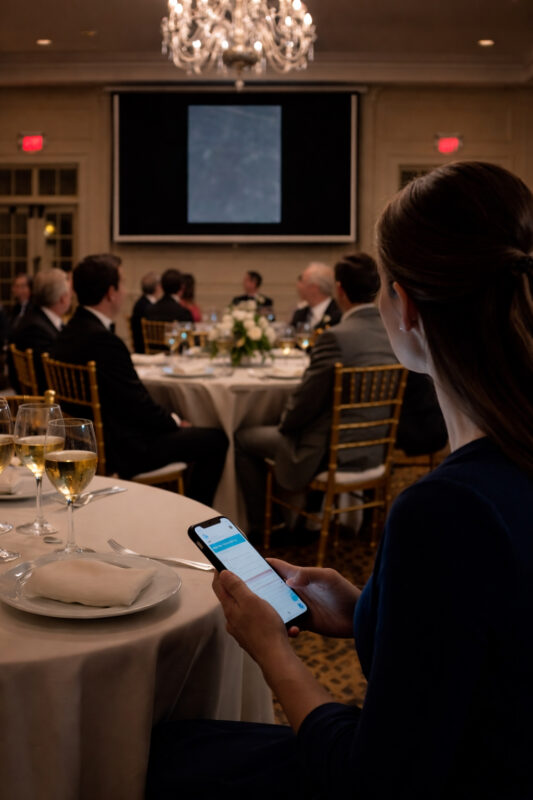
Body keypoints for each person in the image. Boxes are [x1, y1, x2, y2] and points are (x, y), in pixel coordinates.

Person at [146, 162, 533, 798]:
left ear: (402, 307)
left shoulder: (448, 511)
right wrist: (360, 608)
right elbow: (474, 649)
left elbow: (372, 780)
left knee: (160, 756)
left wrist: (273, 649)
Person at [234, 252, 396, 537]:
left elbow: (303, 405)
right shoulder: (392, 333)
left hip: (331, 451)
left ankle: (266, 526)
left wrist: (284, 425)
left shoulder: (336, 337)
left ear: (340, 290)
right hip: (377, 449)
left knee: (243, 437)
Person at [50, 254, 227, 506]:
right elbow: (137, 406)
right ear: (111, 292)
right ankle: (197, 516)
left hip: (90, 442)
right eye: (122, 284)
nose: (125, 291)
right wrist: (175, 421)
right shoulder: (105, 342)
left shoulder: (69, 331)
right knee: (216, 440)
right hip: (124, 450)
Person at [10, 268, 72, 391]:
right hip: (45, 402)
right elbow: (52, 377)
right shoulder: (35, 329)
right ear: (63, 298)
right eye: (69, 293)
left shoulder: (37, 318)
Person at [290, 262, 341, 330]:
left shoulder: (339, 314)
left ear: (314, 287)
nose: (298, 285)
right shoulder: (300, 314)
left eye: (301, 280)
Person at [131, 271, 162, 352]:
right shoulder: (150, 308)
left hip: (138, 346)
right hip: (149, 349)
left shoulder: (139, 303)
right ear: (157, 287)